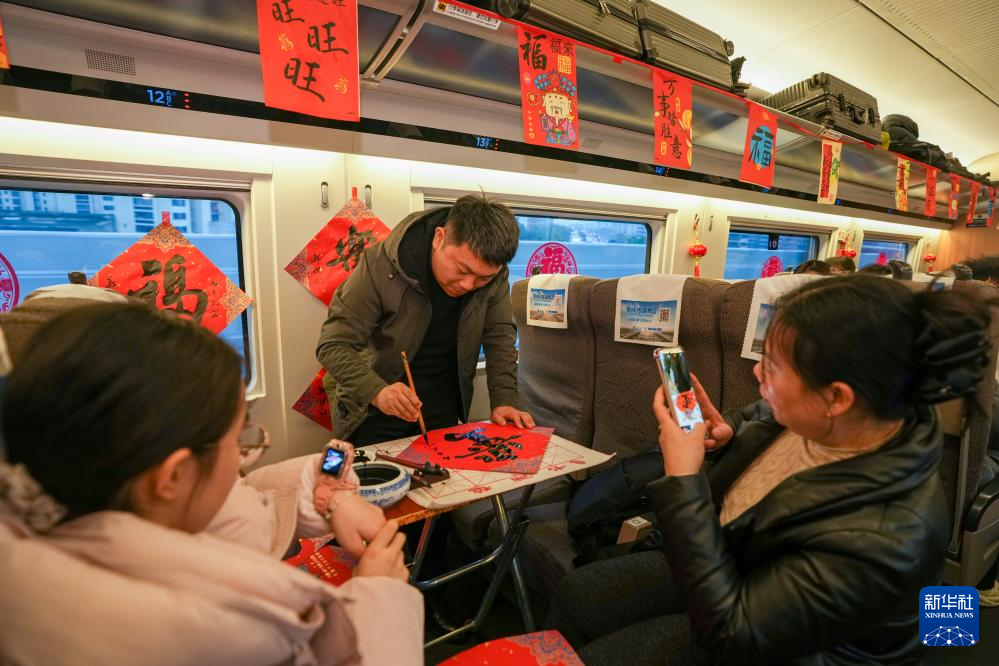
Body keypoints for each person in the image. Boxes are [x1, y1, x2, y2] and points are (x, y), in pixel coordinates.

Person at [548, 275, 993, 664]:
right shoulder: (827, 417)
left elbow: (732, 635)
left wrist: (683, 479)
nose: (758, 372)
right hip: (740, 559)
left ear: (836, 398)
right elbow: (760, 417)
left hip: (787, 644)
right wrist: (726, 435)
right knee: (579, 595)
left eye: (774, 367)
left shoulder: (884, 536)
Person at [0, 303, 423, 665]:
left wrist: (326, 494)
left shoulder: (73, 498)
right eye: (239, 440)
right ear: (174, 476)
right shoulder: (216, 637)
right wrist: (379, 599)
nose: (243, 459)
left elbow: (235, 505)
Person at [317, 194, 534, 446]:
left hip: (443, 407)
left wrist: (505, 400)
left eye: (482, 279)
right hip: (374, 408)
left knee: (440, 471)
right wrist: (377, 391)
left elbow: (500, 338)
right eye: (462, 270)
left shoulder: (495, 276)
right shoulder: (379, 266)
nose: (468, 284)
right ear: (439, 238)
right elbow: (333, 345)